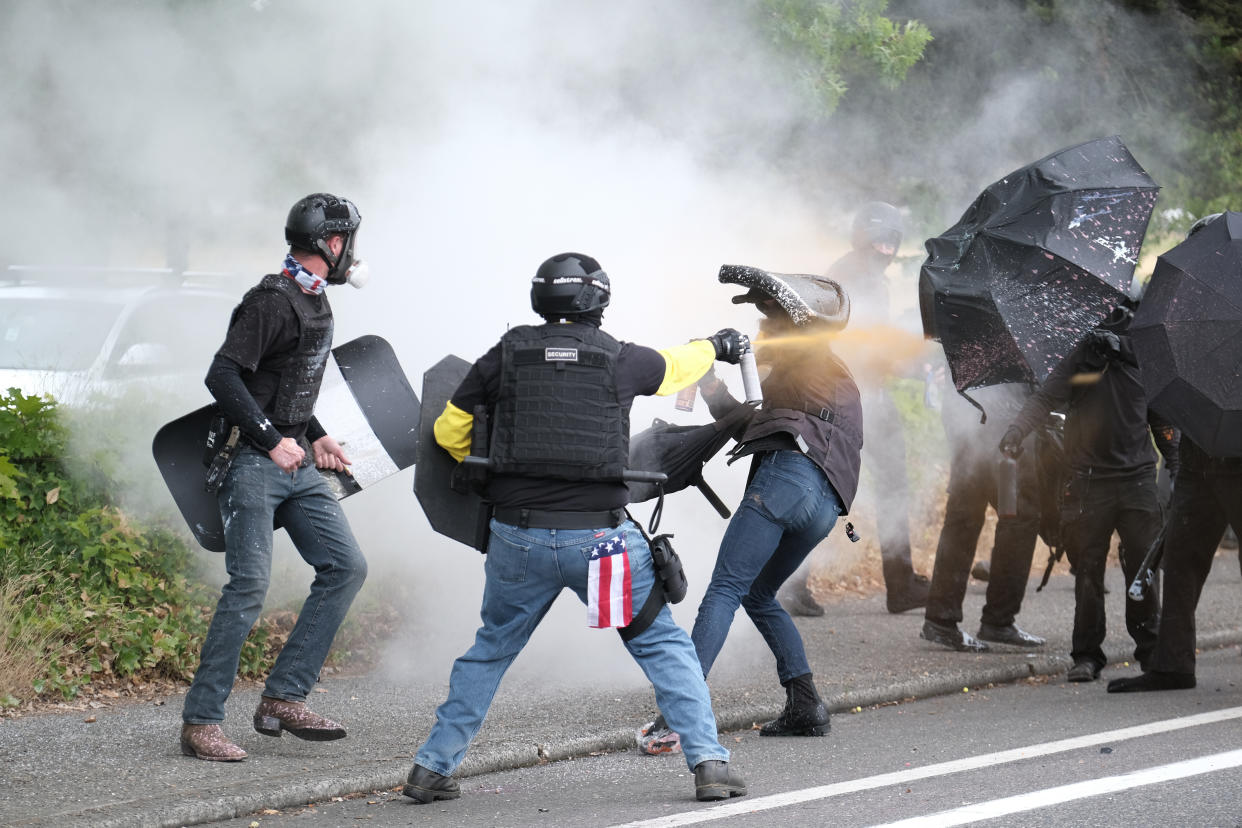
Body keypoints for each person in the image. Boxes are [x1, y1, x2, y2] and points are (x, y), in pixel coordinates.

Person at [403, 252, 747, 804]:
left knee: (489, 651)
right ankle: (709, 765)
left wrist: (498, 463)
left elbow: (448, 430)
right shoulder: (620, 358)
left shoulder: (505, 355)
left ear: (542, 298)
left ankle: (430, 768)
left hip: (517, 538)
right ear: (599, 300)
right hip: (601, 544)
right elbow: (679, 365)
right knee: (661, 643)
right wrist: (717, 345)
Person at [179, 193, 370, 761]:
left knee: (346, 567)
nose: (353, 252)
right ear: (331, 243)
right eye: (349, 241)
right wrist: (270, 439)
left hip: (297, 463)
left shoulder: (318, 303)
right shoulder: (271, 300)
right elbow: (222, 375)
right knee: (248, 588)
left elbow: (283, 382)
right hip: (251, 463)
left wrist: (314, 433)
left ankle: (282, 698)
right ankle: (200, 723)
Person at [641, 270, 861, 752]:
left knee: (724, 588)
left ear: (794, 326)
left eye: (768, 322)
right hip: (827, 505)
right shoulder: (827, 375)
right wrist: (713, 380)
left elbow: (759, 414)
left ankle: (678, 717)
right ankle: (805, 704)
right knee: (759, 594)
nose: (761, 333)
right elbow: (752, 425)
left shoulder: (804, 356)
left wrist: (716, 354)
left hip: (788, 482)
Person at [999, 306, 1178, 681]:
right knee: (1087, 571)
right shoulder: (1078, 351)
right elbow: (1044, 399)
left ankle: (1150, 650)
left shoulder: (1143, 349)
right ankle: (1087, 656)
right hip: (1087, 481)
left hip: (1138, 479)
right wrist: (1016, 432)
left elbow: (1160, 412)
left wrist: (1176, 462)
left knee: (1143, 569)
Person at [1108, 213, 1241, 694]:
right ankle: (1172, 663)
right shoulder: (1196, 305)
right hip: (1201, 458)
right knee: (1182, 560)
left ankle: (1171, 662)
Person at [780, 202, 929, 616]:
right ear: (862, 237)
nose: (888, 247)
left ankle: (900, 582)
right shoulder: (847, 276)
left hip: (868, 396)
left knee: (885, 486)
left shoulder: (869, 277)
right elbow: (846, 343)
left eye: (892, 240)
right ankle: (792, 582)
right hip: (846, 400)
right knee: (827, 488)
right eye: (880, 239)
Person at [920, 382, 1046, 652]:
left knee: (963, 516)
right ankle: (998, 620)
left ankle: (942, 618)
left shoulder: (962, 344)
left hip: (964, 412)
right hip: (1003, 421)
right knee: (1020, 517)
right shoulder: (1015, 343)